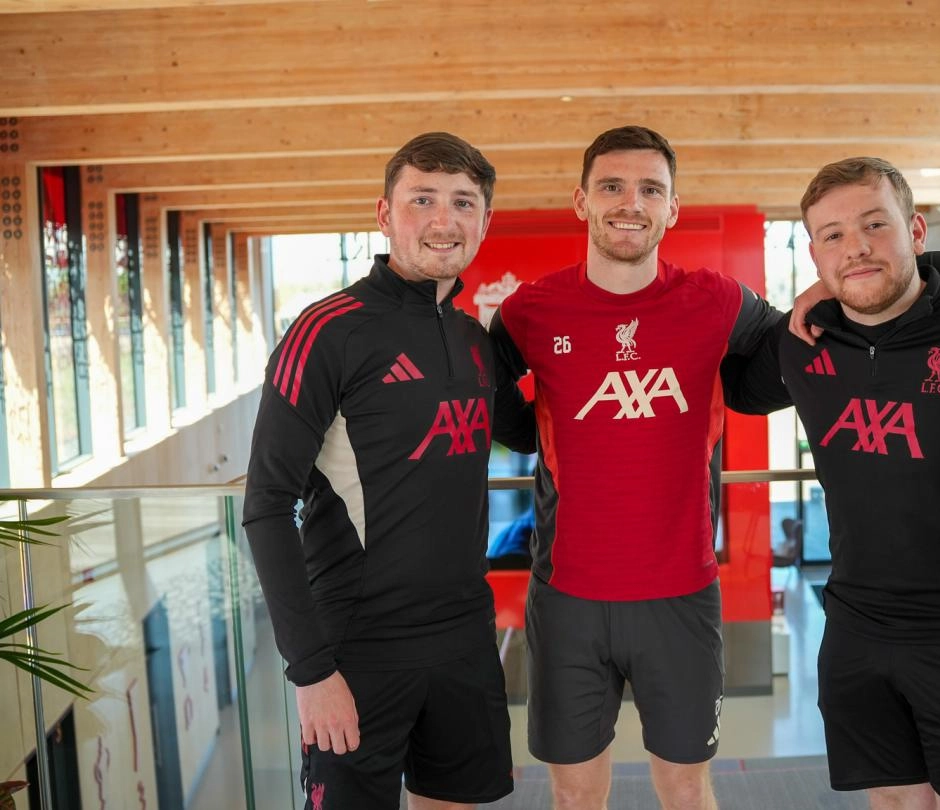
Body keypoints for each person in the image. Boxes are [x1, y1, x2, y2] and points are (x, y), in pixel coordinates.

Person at [721, 157, 940, 810]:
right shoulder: (805, 340)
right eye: (833, 236)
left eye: (876, 225)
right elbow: (739, 390)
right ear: (813, 252)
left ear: (917, 231)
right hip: (857, 626)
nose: (856, 246)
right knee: (892, 801)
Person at [487, 125, 781, 810]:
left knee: (684, 786)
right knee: (574, 793)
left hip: (681, 595)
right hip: (567, 599)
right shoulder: (532, 309)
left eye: (651, 189)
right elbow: (488, 390)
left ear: (672, 208)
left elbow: (792, 353)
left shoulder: (716, 300)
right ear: (582, 201)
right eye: (612, 187)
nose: (631, 203)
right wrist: (535, 431)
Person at [242, 132, 533, 810]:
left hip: (464, 636)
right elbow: (267, 504)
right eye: (422, 199)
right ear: (384, 214)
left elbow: (536, 429)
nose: (443, 220)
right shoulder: (327, 332)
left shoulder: (474, 339)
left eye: (463, 202)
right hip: (358, 648)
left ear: (485, 221)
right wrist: (312, 672)